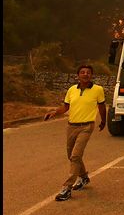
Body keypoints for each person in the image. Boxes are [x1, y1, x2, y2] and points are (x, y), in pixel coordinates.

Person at [44, 63, 107, 202]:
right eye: (82, 72)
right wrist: (54, 112)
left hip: (86, 126)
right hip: (71, 126)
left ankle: (66, 188)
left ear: (91, 75)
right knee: (71, 156)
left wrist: (104, 121)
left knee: (76, 155)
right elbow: (66, 107)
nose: (85, 74)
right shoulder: (72, 89)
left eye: (88, 72)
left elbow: (101, 107)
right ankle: (84, 177)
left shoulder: (98, 89)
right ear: (78, 75)